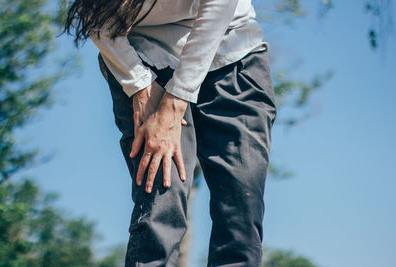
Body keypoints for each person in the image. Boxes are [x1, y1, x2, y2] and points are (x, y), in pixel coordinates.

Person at [63, 0, 277, 266]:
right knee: (160, 201)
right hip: (141, 56)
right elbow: (94, 14)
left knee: (241, 207)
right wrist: (140, 85)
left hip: (229, 47)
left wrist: (176, 99)